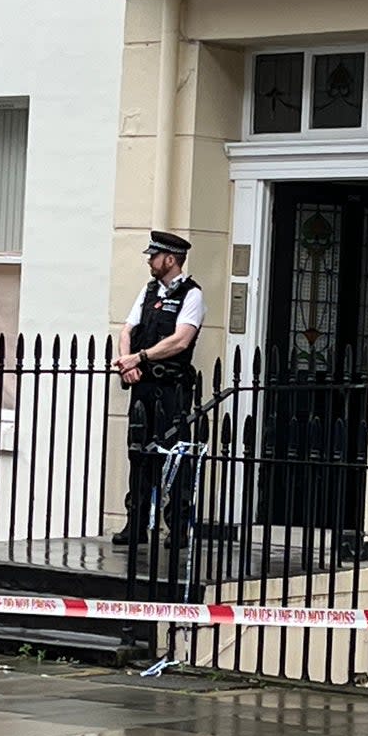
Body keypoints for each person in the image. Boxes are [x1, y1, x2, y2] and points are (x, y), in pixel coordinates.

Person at [111, 230, 206, 546]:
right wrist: (128, 362)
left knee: (173, 455)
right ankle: (135, 525)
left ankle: (176, 528)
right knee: (138, 454)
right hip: (142, 385)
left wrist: (140, 356)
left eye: (155, 256)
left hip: (171, 388)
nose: (150, 260)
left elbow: (181, 339)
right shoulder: (149, 291)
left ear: (171, 259)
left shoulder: (192, 294)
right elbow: (128, 329)